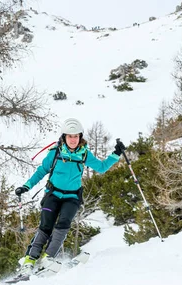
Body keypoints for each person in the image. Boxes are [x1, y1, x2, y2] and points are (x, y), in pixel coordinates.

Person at [15, 118, 125, 276]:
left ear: (80, 137)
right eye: (70, 136)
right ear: (64, 137)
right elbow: (41, 171)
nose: (73, 140)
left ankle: (48, 258)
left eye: (76, 136)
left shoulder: (84, 154)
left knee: (63, 225)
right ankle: (29, 261)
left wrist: (116, 154)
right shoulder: (55, 153)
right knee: (45, 226)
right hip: (52, 195)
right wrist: (26, 186)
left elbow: (101, 168)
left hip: (72, 197)